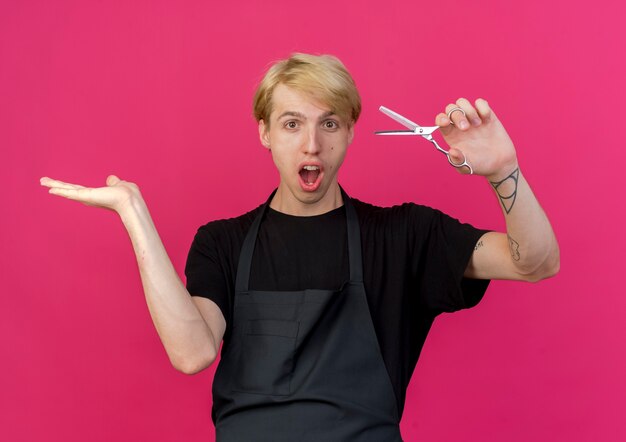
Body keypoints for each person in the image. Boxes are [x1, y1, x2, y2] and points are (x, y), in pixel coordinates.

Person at [40, 53, 559, 441]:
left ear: (351, 132)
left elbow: (534, 262)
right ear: (265, 133)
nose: (312, 144)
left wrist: (503, 172)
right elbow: (193, 353)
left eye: (329, 123)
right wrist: (135, 215)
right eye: (292, 124)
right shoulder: (224, 242)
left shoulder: (404, 236)